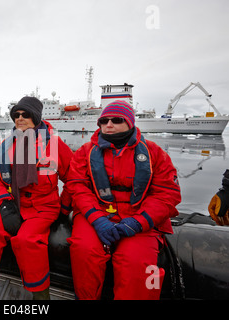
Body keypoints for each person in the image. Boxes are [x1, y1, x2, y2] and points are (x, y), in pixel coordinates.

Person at [65, 100, 181, 300]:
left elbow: (167, 194)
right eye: (103, 121)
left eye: (116, 120)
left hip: (139, 216)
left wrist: (138, 222)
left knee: (137, 263)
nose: (108, 125)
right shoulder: (84, 152)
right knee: (84, 251)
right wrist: (97, 219)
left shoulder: (155, 154)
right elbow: (77, 186)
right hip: (96, 213)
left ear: (130, 123)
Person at [0, 96, 73, 300]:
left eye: (25, 114)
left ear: (36, 117)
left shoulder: (54, 144)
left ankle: (40, 295)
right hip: (13, 203)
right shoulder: (5, 145)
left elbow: (73, 177)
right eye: (16, 115)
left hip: (43, 207)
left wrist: (64, 208)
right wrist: (3, 204)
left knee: (27, 240)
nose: (20, 118)